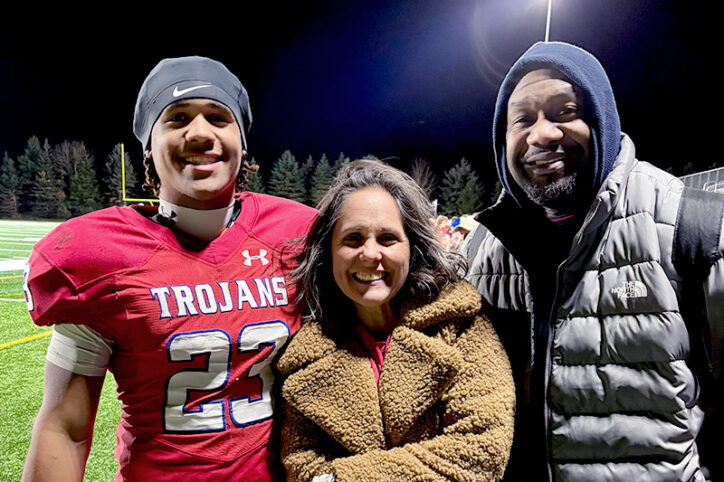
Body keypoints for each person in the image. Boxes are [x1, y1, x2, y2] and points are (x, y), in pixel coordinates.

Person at [21, 56, 316, 481]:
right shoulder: (98, 255)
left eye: (218, 117)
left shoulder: (297, 233)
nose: (199, 133)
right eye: (177, 119)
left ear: (242, 142)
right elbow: (64, 428)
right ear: (148, 147)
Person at [463, 41, 724, 481]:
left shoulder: (691, 226)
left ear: (602, 119)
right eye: (522, 119)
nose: (541, 135)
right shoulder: (481, 252)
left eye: (564, 111)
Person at [277, 159, 515, 481]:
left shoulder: (462, 325)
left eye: (387, 238)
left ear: (411, 248)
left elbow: (479, 453)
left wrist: (342, 477)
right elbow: (302, 465)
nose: (370, 254)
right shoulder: (306, 358)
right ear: (329, 252)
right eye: (353, 239)